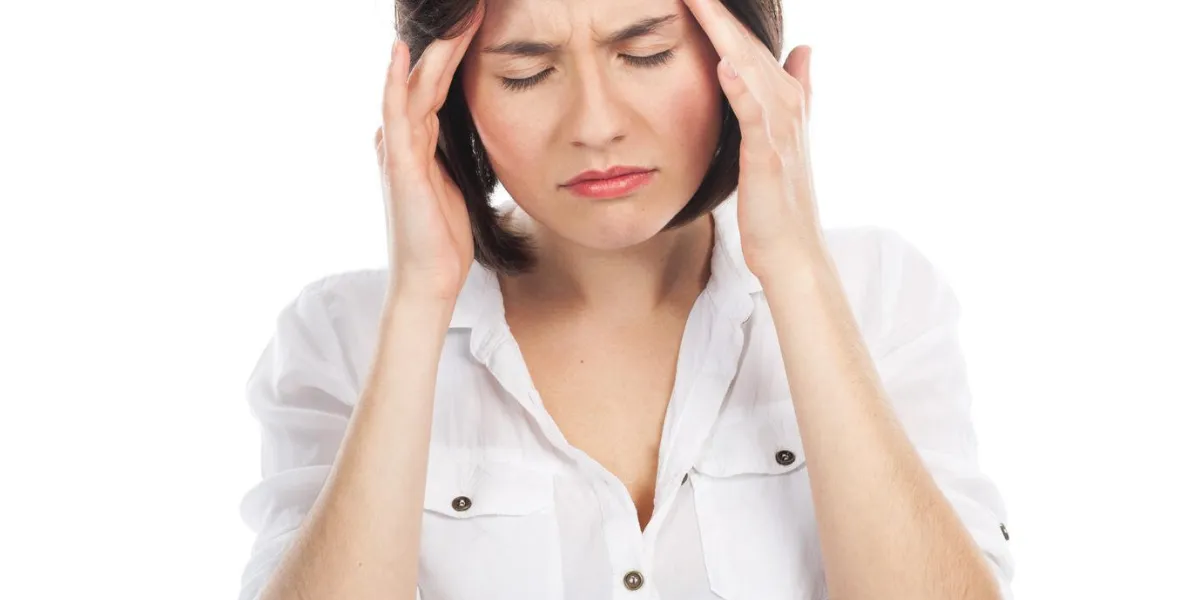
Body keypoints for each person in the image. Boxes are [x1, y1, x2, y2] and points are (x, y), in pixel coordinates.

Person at [238, 0, 1016, 598]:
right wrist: (419, 301)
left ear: (735, 50)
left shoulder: (879, 297)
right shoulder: (340, 340)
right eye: (526, 73)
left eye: (644, 54)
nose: (597, 125)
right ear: (446, 99)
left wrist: (796, 268)